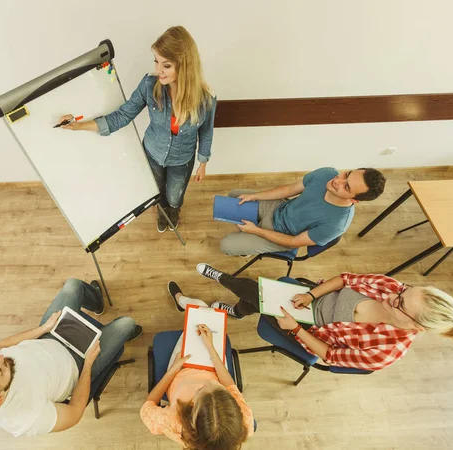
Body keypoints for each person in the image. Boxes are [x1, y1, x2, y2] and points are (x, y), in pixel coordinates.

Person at [58, 26, 216, 233]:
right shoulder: (150, 86)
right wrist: (79, 126)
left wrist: (203, 162)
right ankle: (163, 210)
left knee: (175, 196)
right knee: (157, 191)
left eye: (166, 65)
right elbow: (122, 115)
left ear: (185, 66)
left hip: (182, 159)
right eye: (156, 62)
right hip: (152, 153)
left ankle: (174, 210)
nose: (158, 70)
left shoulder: (206, 99)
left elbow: (206, 132)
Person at [0, 278, 142, 439]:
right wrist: (89, 364)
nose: (1, 357)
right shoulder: (26, 419)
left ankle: (97, 303)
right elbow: (75, 412)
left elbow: (0, 346)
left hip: (48, 336)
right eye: (1, 368)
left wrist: (43, 329)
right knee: (126, 324)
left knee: (73, 285)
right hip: (79, 366)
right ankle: (126, 333)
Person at [194, 264, 453, 371]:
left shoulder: (385, 352)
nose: (394, 292)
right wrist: (312, 295)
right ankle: (233, 304)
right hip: (310, 298)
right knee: (258, 294)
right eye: (408, 289)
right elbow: (345, 279)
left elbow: (329, 355)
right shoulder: (393, 287)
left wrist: (295, 330)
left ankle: (228, 287)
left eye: (400, 301)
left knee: (256, 294)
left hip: (309, 330)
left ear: (415, 325)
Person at [141, 282, 254, 449]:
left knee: (199, 307)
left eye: (200, 391)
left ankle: (180, 300)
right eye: (217, 388)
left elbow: (148, 406)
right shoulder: (245, 422)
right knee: (205, 313)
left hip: (180, 372)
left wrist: (173, 370)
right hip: (213, 364)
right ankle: (183, 302)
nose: (208, 382)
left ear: (191, 414)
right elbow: (229, 384)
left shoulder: (173, 422)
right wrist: (211, 348)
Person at [220, 167, 386, 256]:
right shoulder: (327, 174)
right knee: (235, 196)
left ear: (354, 200)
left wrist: (257, 231)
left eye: (346, 186)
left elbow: (293, 243)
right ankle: (249, 231)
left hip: (282, 237)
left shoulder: (336, 224)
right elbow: (289, 190)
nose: (337, 181)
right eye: (346, 174)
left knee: (226, 244)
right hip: (280, 208)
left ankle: (247, 243)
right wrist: (255, 196)